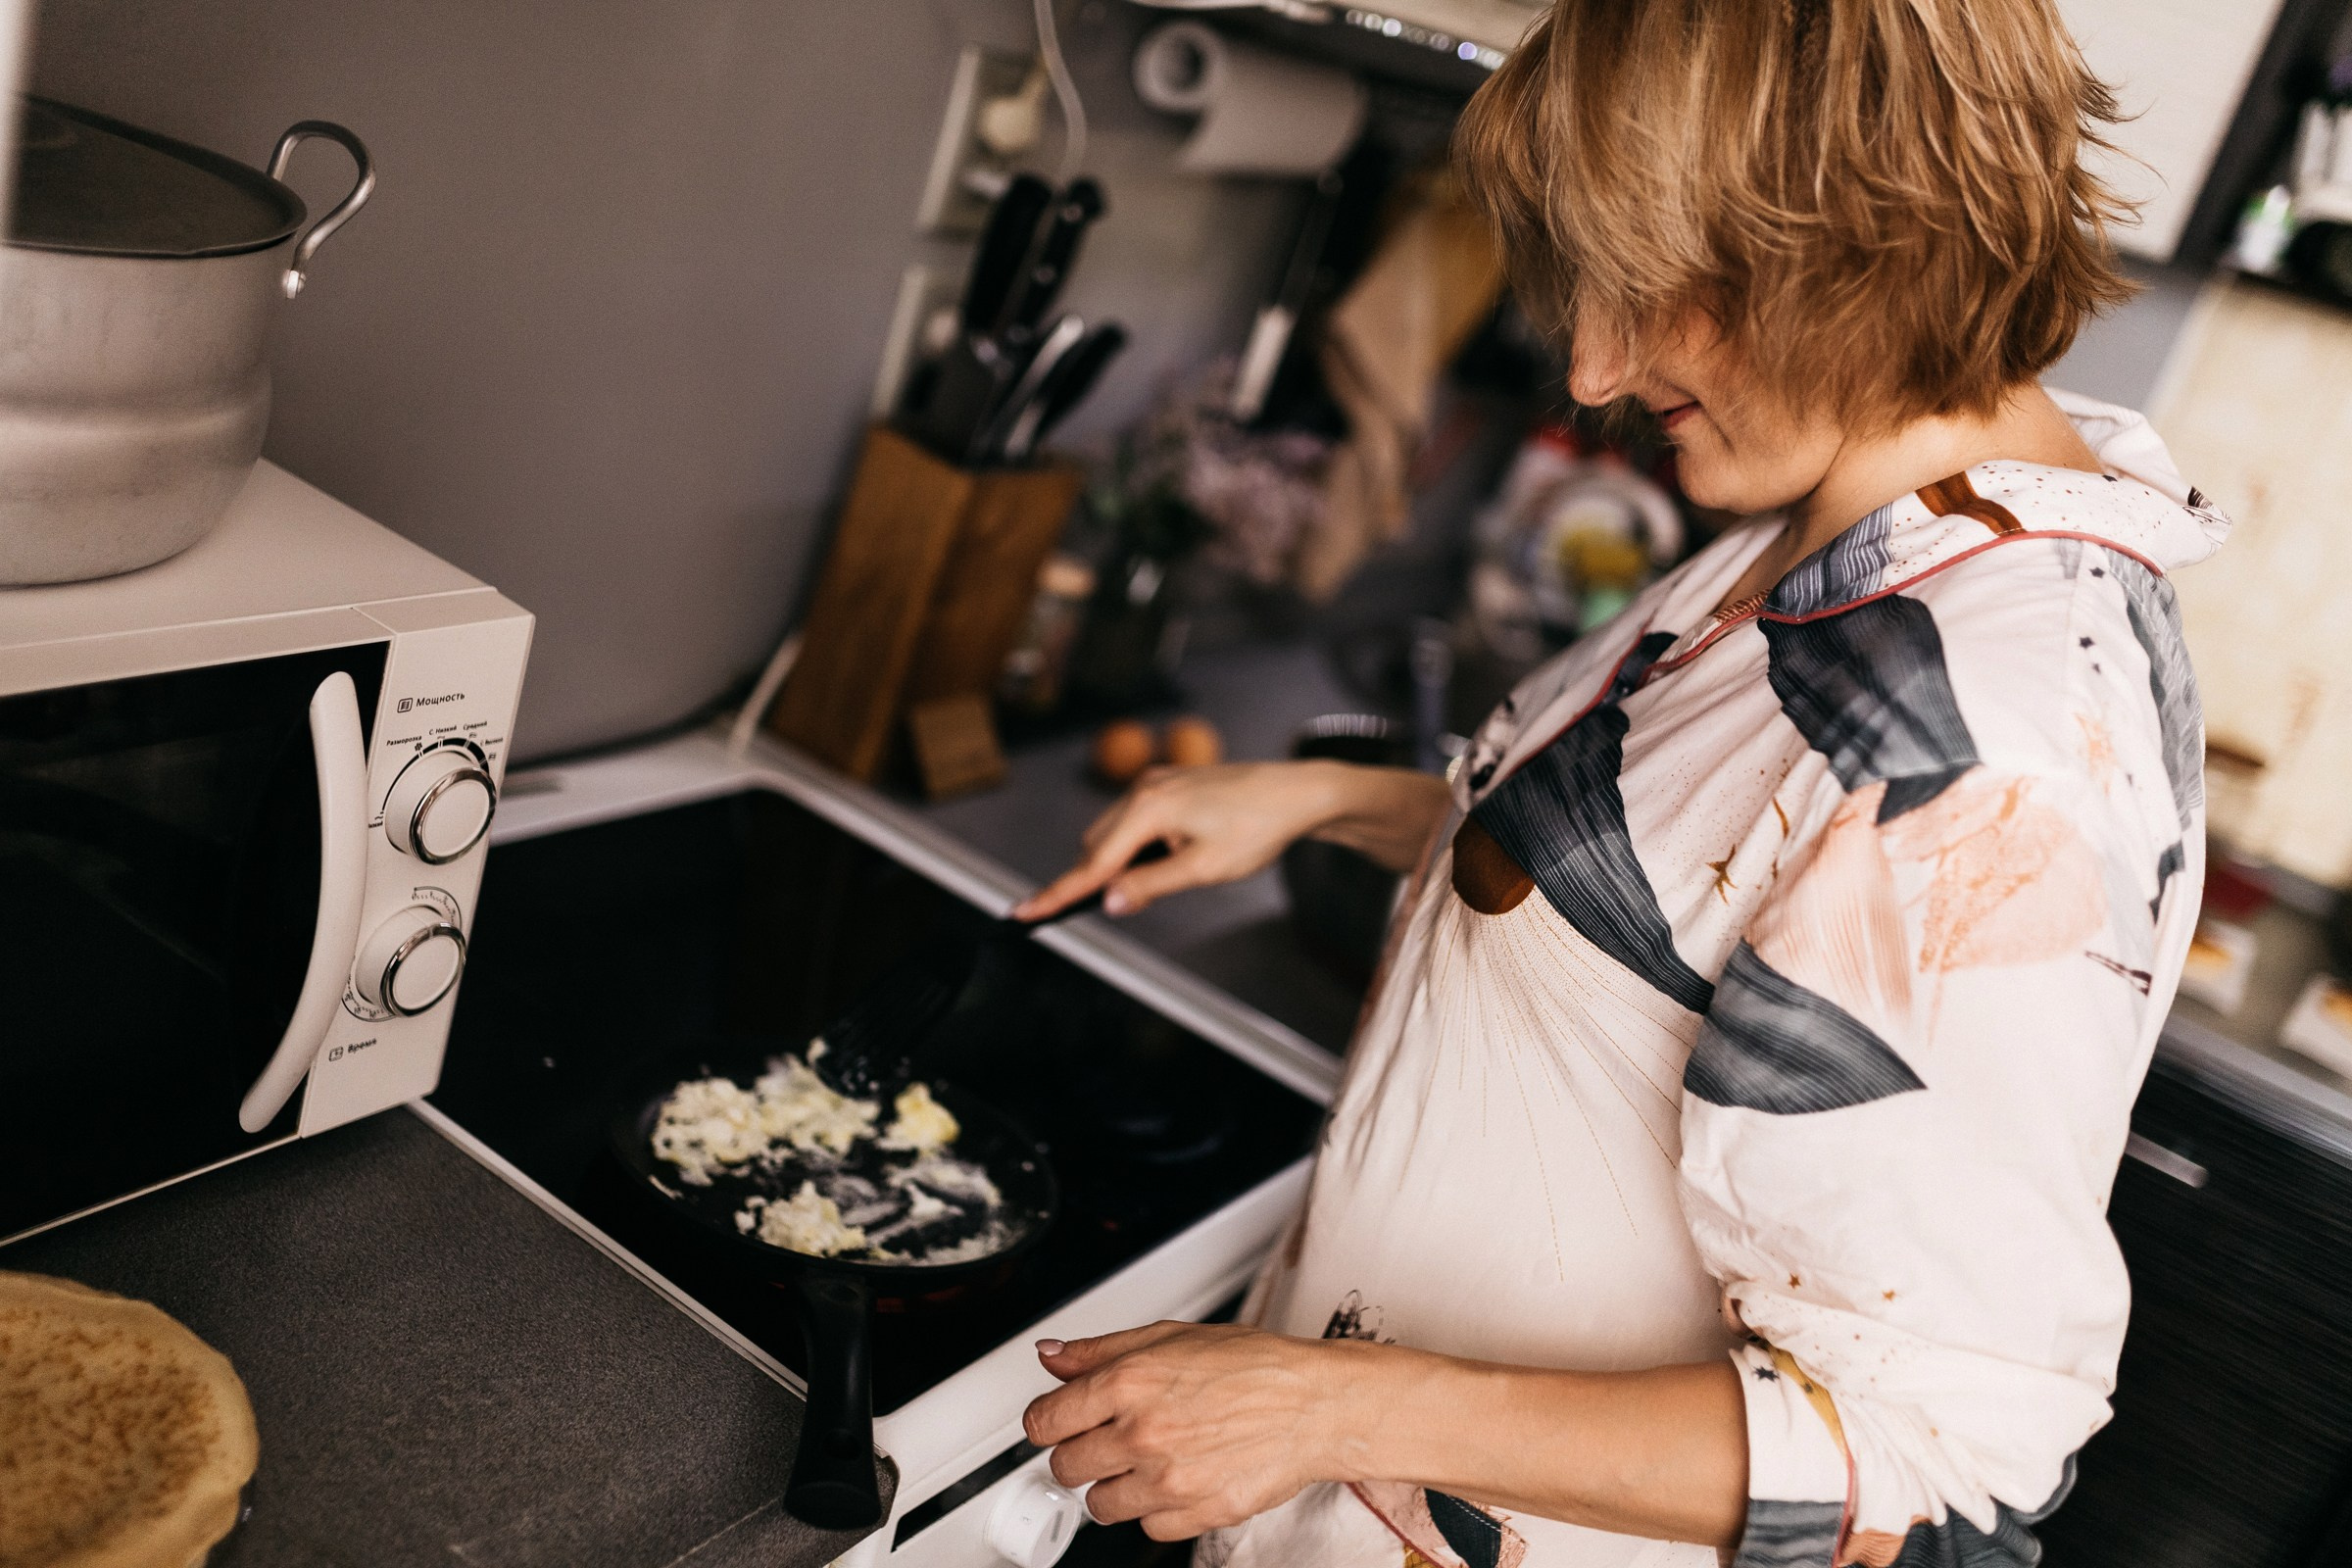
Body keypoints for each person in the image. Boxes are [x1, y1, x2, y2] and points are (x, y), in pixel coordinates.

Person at [1009, 0, 2230, 1562]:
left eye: (1660, 287)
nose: (1591, 359)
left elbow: (1931, 1449)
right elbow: (1691, 901)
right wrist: (1331, 804)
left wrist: (1325, 1412)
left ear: (1869, 234)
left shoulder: (1978, 747)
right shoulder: (1832, 524)